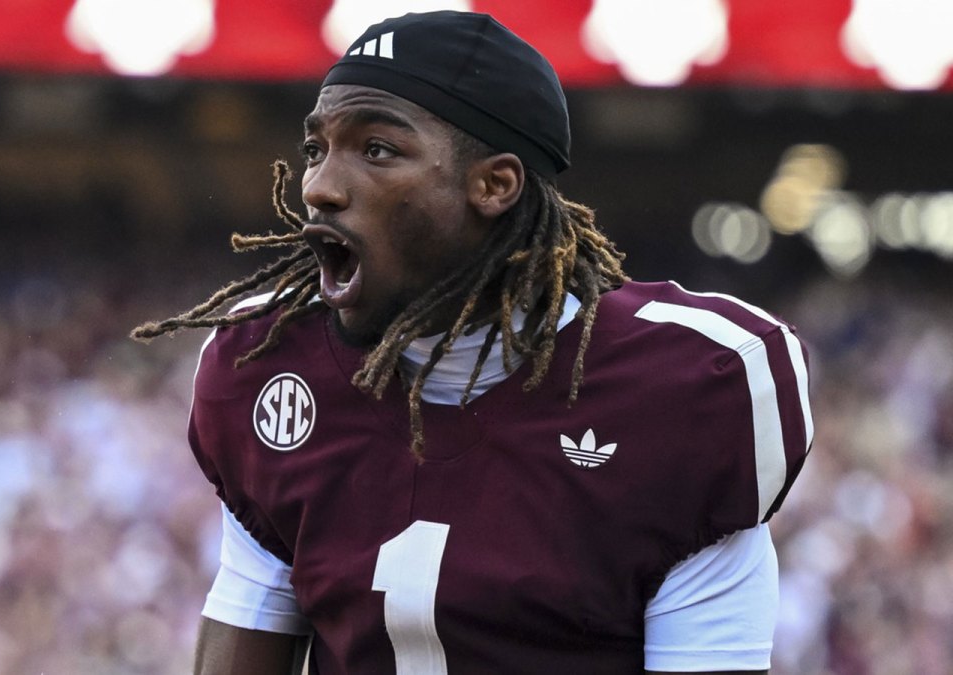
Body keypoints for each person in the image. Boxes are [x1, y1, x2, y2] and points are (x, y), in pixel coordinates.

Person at [133, 10, 813, 675]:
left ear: (494, 185)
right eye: (317, 148)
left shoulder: (688, 390)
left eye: (377, 149)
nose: (319, 186)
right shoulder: (271, 363)